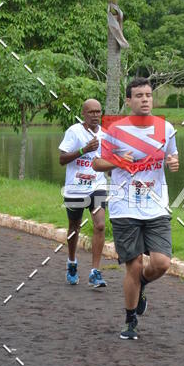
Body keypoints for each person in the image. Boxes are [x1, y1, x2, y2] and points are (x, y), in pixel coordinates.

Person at [92, 78, 179, 340]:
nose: (145, 99)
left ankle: (141, 285)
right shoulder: (114, 130)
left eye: (149, 95)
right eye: (139, 95)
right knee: (134, 265)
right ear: (128, 100)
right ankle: (130, 320)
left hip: (156, 205)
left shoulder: (166, 127)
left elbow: (170, 156)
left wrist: (173, 163)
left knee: (162, 263)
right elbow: (97, 164)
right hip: (124, 206)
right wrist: (117, 160)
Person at [59, 99, 108, 288]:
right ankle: (72, 262)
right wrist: (83, 150)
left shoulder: (105, 134)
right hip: (75, 188)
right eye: (91, 112)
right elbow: (62, 159)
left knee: (101, 225)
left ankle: (95, 272)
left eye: (98, 111)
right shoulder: (74, 132)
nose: (95, 115)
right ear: (84, 113)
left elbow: (106, 161)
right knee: (74, 227)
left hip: (97, 186)